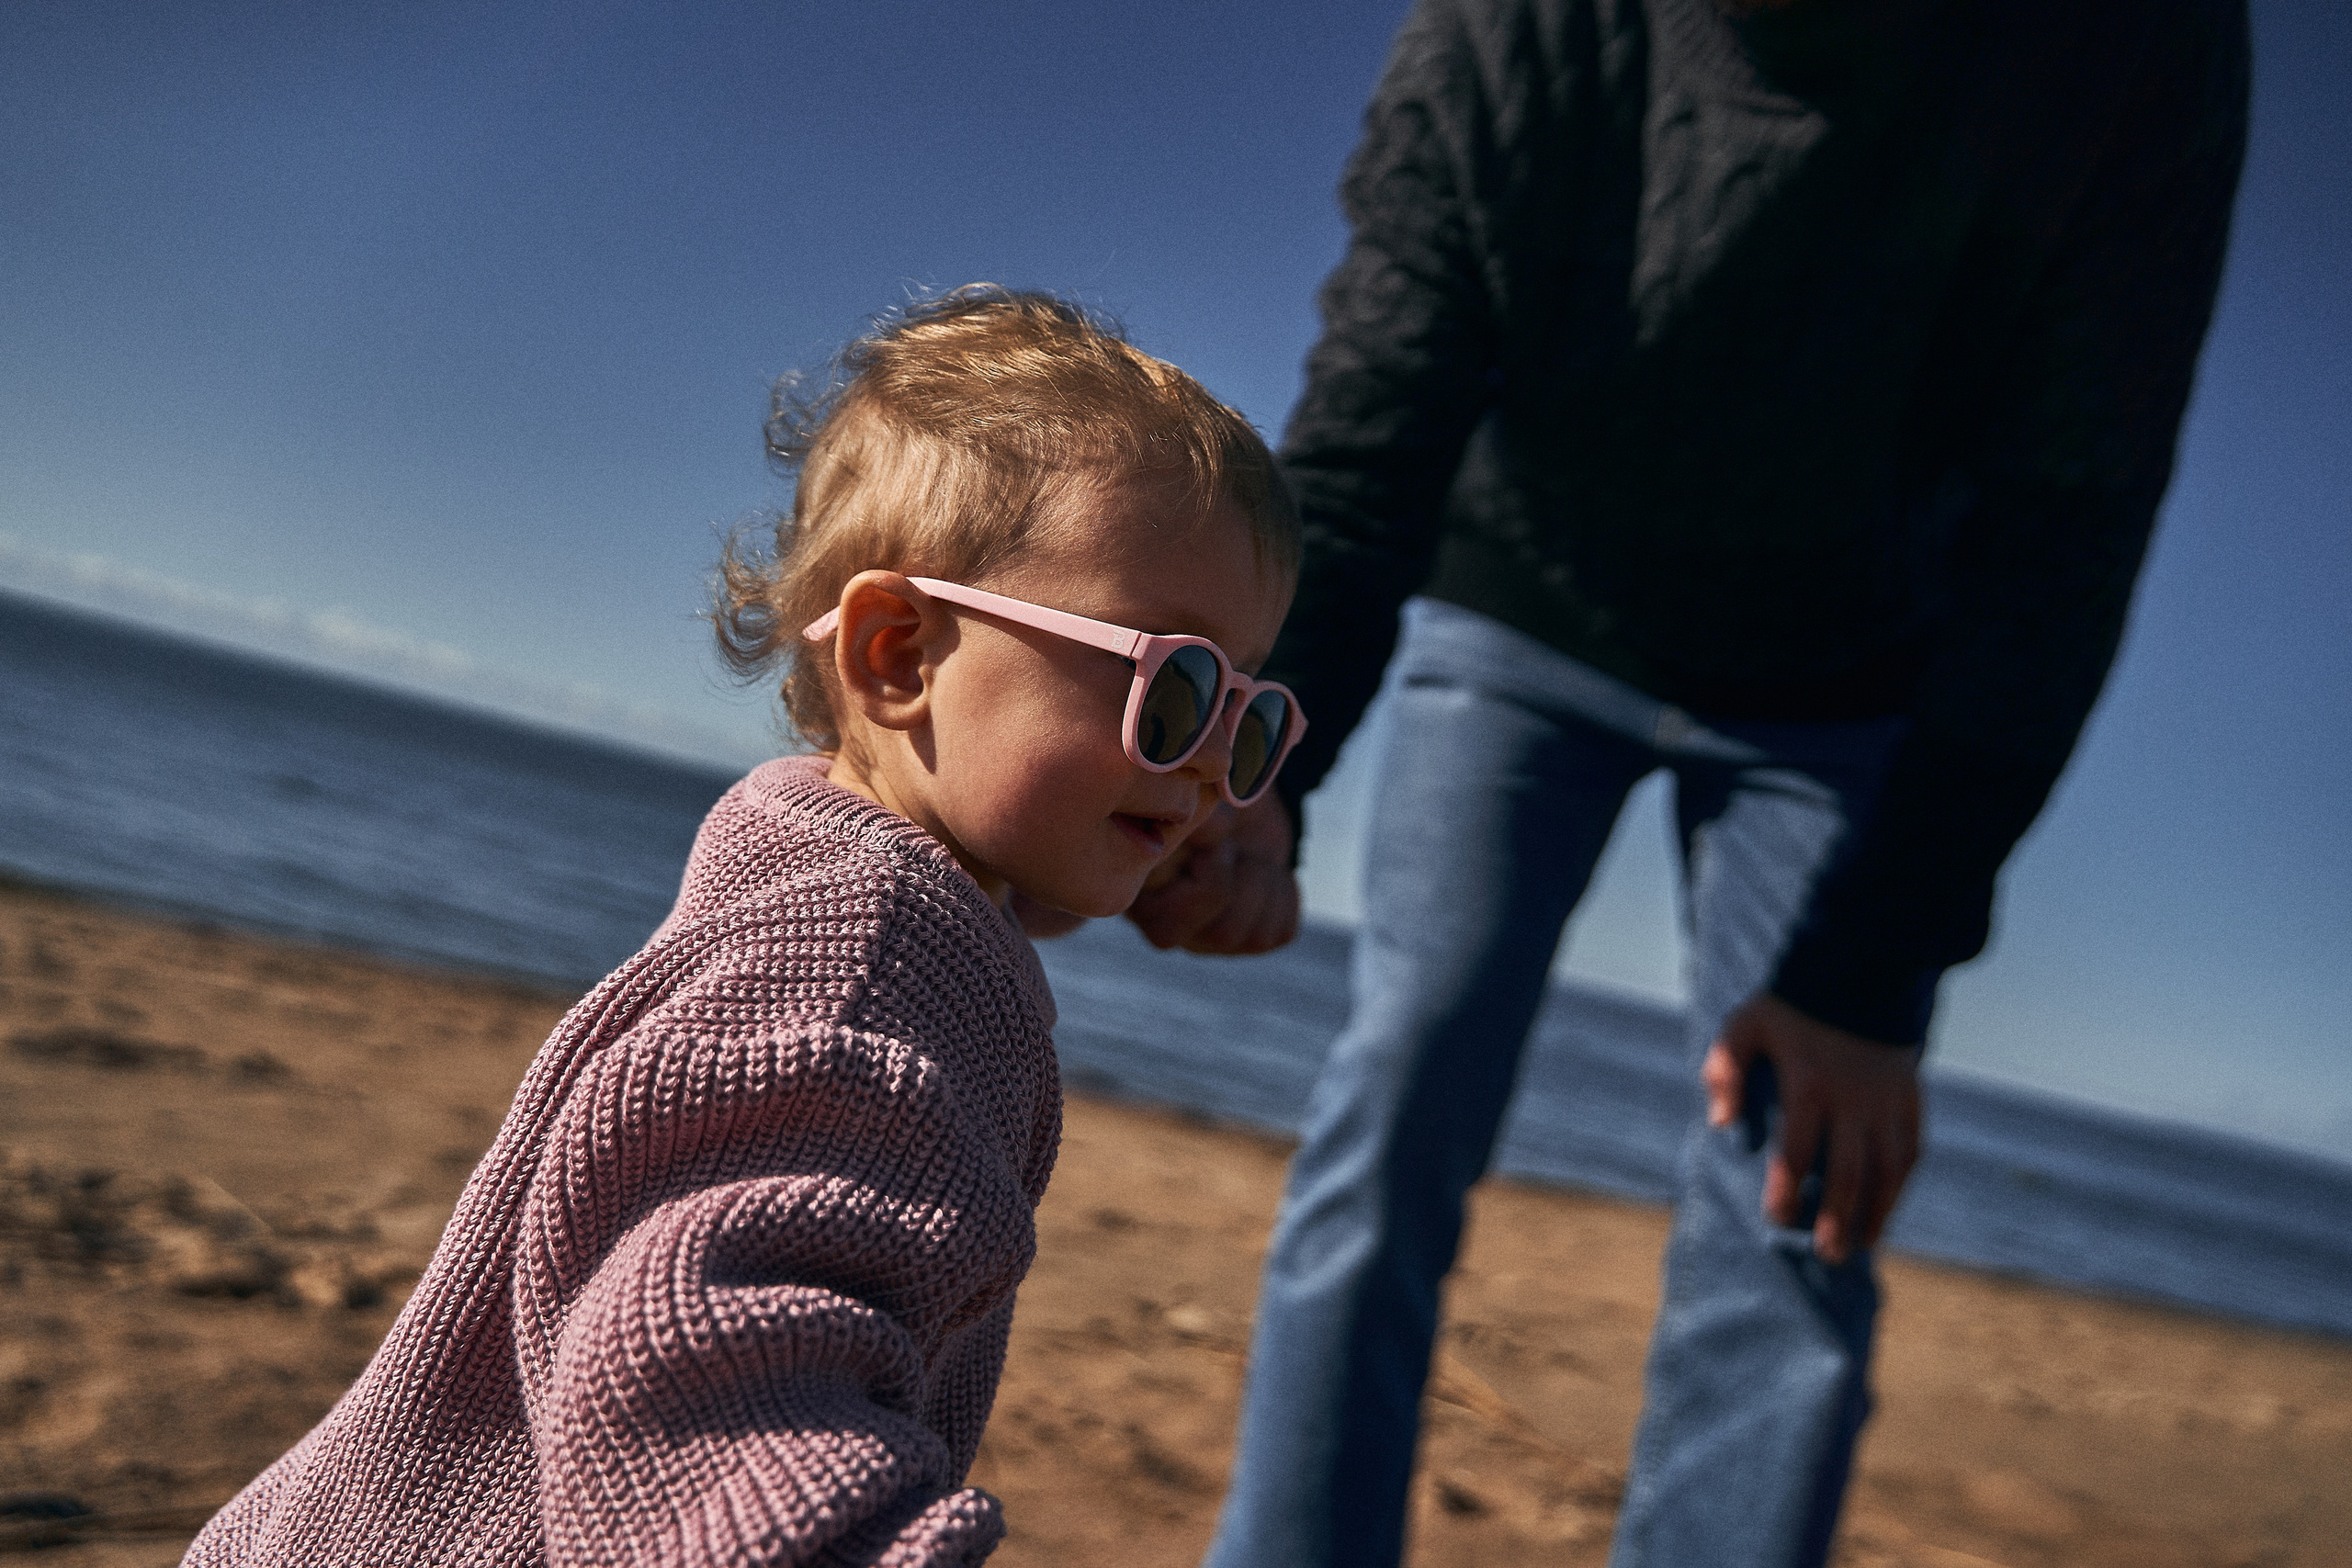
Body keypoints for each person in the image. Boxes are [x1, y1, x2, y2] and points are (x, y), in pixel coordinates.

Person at [1126, 2, 2251, 1564]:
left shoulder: (2141, 51)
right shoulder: (1513, 33)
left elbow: (2078, 516)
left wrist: (1878, 960)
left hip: (1850, 687)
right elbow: (1379, 414)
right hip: (1524, 597)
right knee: (1399, 1091)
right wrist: (1266, 766)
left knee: (1799, 1200)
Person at [184, 288, 1306, 1568]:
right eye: (1178, 690)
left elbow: (994, 917)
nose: (1216, 765)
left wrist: (1125, 824)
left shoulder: (853, 881)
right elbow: (697, 1373)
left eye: (1253, 720)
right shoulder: (856, 970)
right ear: (897, 653)